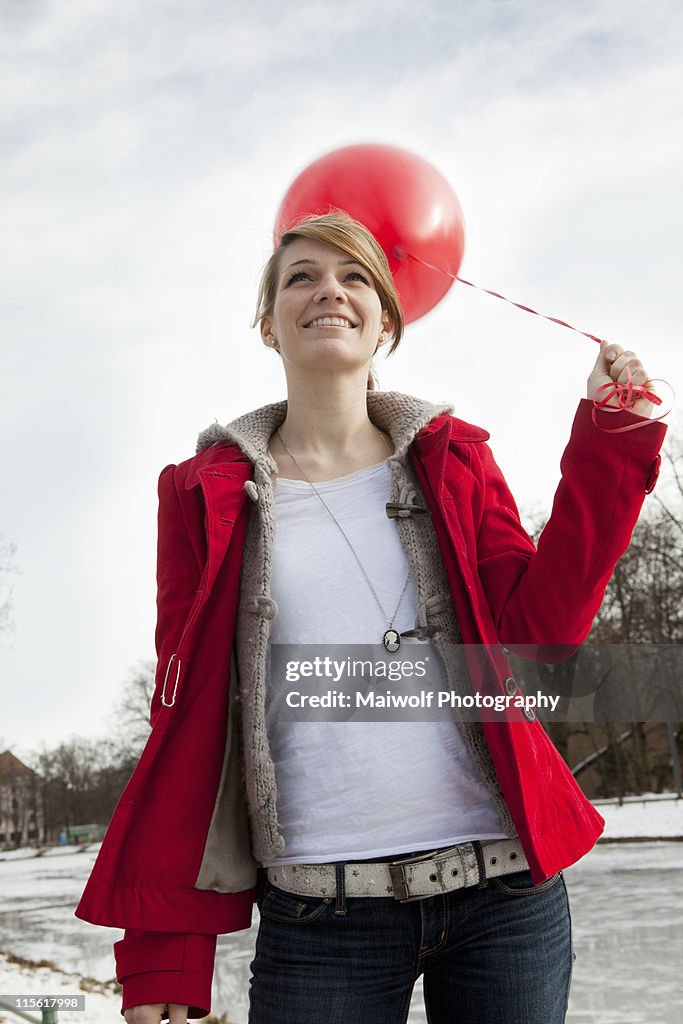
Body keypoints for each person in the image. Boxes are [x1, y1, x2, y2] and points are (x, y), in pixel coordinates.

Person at [75, 212, 666, 1023]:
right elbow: (184, 722)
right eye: (301, 276)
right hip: (321, 920)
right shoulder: (201, 494)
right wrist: (165, 957)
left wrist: (609, 443)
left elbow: (541, 632)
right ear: (266, 324)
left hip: (504, 897)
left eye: (354, 276)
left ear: (386, 320)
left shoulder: (455, 459)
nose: (330, 291)